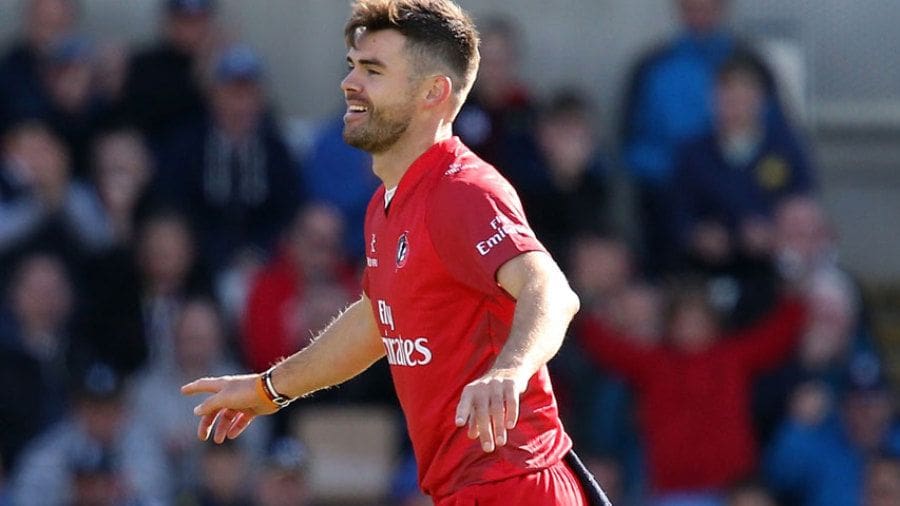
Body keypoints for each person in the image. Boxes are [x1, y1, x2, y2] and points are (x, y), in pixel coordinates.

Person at [181, 1, 608, 505]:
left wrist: (509, 372)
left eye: (374, 70)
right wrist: (269, 389)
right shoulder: (387, 201)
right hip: (470, 490)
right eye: (352, 67)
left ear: (433, 93)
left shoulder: (462, 190)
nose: (349, 83)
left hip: (514, 486)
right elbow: (377, 321)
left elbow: (552, 291)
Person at [578, 281, 806, 505]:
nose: (691, 328)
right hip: (674, 490)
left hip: (732, 491)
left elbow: (775, 337)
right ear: (671, 325)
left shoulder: (732, 358)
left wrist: (796, 299)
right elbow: (608, 348)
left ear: (714, 324)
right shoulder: (655, 363)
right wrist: (581, 310)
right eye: (684, 322)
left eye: (699, 321)